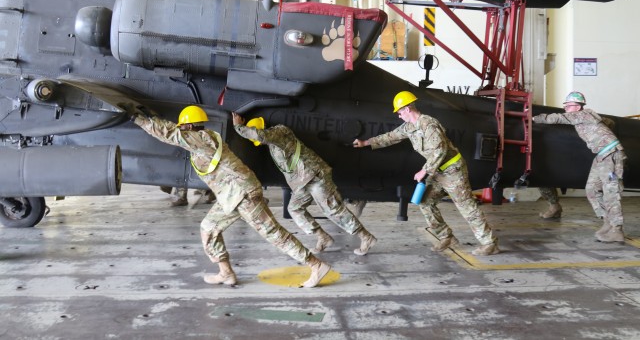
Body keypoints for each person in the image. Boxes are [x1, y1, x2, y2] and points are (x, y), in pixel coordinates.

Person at [125, 104, 332, 287]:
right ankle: (226, 273)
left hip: (242, 194)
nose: (181, 130)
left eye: (183, 127)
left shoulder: (200, 139)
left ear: (188, 127)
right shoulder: (206, 138)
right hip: (232, 197)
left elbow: (168, 133)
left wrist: (140, 119)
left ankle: (316, 265)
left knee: (274, 234)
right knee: (209, 228)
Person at [352, 91, 500, 256]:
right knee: (425, 200)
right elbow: (391, 137)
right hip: (438, 171)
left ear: (407, 109)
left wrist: (424, 170)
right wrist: (366, 142)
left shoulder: (428, 124)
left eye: (400, 112)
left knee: (467, 207)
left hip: (453, 170)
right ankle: (446, 236)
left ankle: (489, 243)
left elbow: (440, 149)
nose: (399, 116)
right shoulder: (409, 127)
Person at [232, 113, 377, 256]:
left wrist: (238, 126)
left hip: (314, 175)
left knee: (332, 209)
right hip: (302, 183)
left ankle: (366, 237)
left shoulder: (280, 131)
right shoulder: (272, 146)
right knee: (294, 209)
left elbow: (261, 136)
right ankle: (323, 237)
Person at [533, 91, 626, 242]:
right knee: (592, 189)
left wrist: (534, 118)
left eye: (568, 106)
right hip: (601, 155)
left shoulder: (582, 114)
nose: (566, 109)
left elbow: (557, 118)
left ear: (577, 106)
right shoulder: (585, 118)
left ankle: (617, 229)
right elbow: (609, 122)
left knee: (610, 191)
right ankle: (607, 222)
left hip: (611, 154)